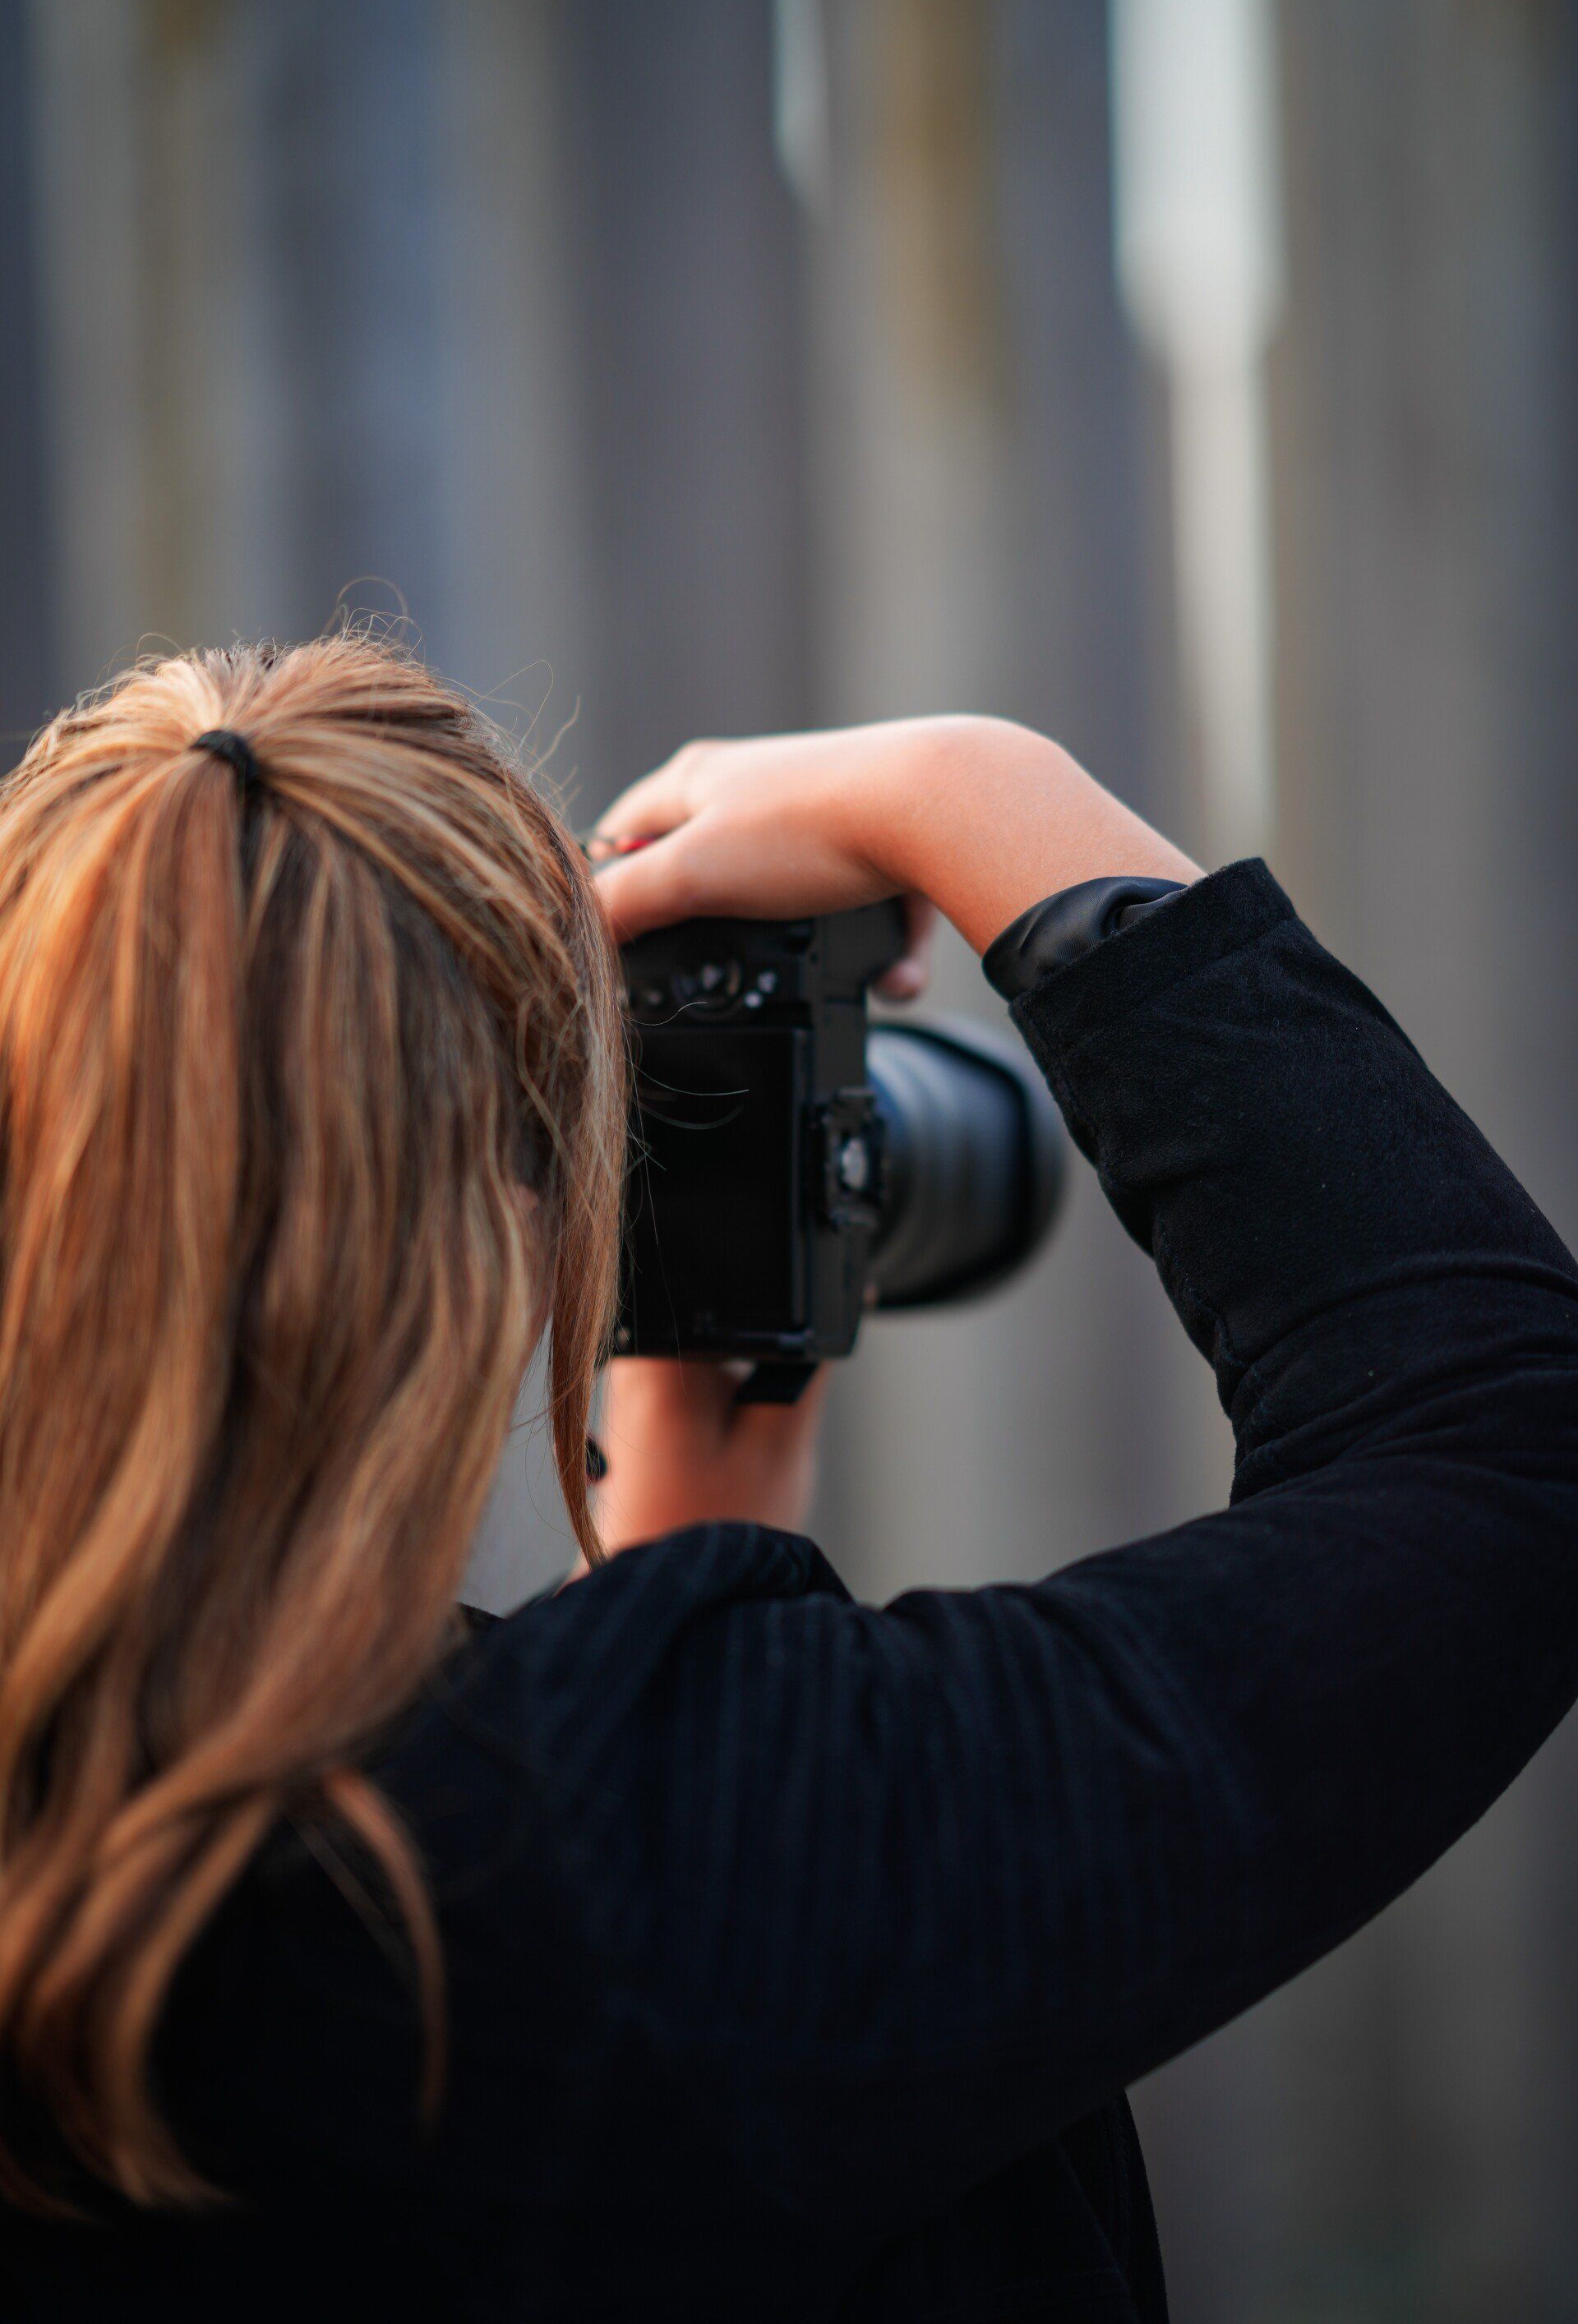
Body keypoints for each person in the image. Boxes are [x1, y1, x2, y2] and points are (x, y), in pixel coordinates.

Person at [0, 636, 1574, 2324]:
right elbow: (1499, 1442)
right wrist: (973, 790)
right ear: (525, 1220)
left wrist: (671, 1603)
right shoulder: (672, 1863)